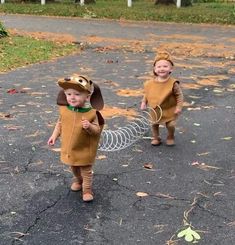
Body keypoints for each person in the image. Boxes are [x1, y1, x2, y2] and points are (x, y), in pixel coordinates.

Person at [47, 74, 104, 202]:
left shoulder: (91, 113)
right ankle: (78, 180)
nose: (72, 97)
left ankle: (87, 190)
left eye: (77, 94)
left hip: (84, 148)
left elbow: (97, 130)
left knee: (86, 170)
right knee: (73, 166)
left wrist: (89, 126)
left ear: (87, 96)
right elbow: (60, 124)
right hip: (70, 147)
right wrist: (54, 136)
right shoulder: (65, 110)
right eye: (68, 94)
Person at [140, 51, 183, 146]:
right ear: (155, 69)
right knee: (154, 124)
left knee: (171, 124)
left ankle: (170, 136)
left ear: (171, 69)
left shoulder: (173, 83)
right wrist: (144, 102)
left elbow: (179, 96)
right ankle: (156, 137)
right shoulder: (150, 83)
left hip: (169, 109)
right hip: (155, 109)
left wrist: (179, 107)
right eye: (159, 67)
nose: (162, 69)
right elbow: (147, 93)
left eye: (165, 66)